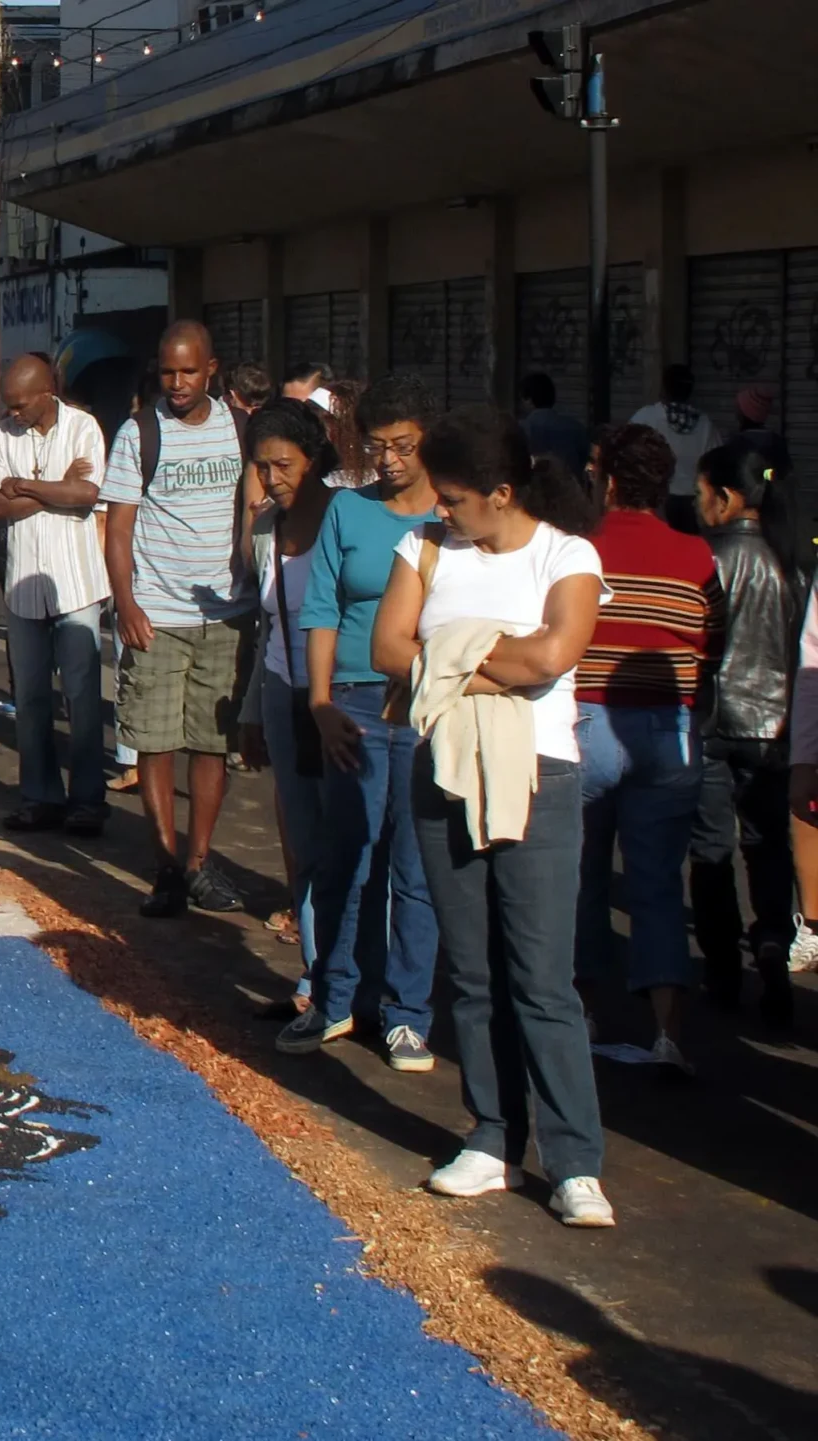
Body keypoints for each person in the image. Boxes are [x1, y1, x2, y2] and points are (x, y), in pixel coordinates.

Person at [372, 405, 611, 1228]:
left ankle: (575, 1158)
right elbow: (387, 647)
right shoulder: (427, 548)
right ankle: (492, 1135)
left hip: (539, 772)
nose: (444, 509)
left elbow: (555, 655)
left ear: (502, 492)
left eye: (458, 497)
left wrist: (450, 663)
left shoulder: (566, 553)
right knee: (471, 970)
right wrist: (486, 660)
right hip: (443, 769)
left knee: (542, 975)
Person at [278, 375, 444, 1068]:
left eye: (402, 445)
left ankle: (407, 1013)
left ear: (429, 441)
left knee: (414, 867)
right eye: (377, 446)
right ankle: (335, 997)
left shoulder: (451, 519)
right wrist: (319, 702)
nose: (389, 460)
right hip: (351, 702)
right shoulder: (349, 510)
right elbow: (319, 608)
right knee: (348, 853)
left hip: (428, 707)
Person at [571, 424, 715, 1075]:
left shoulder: (580, 550)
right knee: (657, 885)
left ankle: (582, 1011)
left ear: (606, 478)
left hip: (586, 723)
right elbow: (711, 646)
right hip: (669, 732)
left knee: (582, 876)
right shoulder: (698, 557)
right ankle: (668, 1033)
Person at [102, 322, 257, 917]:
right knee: (155, 742)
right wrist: (128, 602)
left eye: (188, 371)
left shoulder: (239, 429)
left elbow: (255, 507)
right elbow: (118, 528)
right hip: (158, 615)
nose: (178, 383)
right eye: (168, 372)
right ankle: (166, 865)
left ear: (211, 369)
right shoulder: (138, 433)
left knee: (212, 745)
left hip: (227, 615)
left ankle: (199, 863)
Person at [0, 355, 111, 834]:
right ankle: (40, 796)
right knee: (30, 697)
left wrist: (25, 487)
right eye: (8, 405)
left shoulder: (83, 427)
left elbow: (88, 494)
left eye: (21, 404)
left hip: (76, 584)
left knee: (82, 699)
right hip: (22, 584)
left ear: (47, 391)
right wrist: (56, 489)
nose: (14, 413)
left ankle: (88, 800)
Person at [691, 443, 799, 1027]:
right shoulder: (795, 561)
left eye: (704, 493)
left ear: (728, 498)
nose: (698, 503)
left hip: (710, 724)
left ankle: (722, 971)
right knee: (767, 845)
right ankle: (773, 950)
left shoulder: (706, 557)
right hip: (775, 726)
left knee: (710, 850)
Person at [236, 399, 336, 1003]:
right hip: (281, 691)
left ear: (315, 459)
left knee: (348, 840)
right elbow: (266, 626)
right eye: (262, 467)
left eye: (283, 465)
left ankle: (356, 977)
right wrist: (252, 709)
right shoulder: (267, 527)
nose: (272, 480)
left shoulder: (345, 520)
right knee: (300, 839)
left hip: (342, 701)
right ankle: (316, 970)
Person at [630, 364, 722, 534]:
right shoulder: (705, 424)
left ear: (664, 388)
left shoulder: (646, 417)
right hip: (693, 503)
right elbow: (716, 463)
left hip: (659, 502)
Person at [517, 373, 587, 479]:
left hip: (532, 493)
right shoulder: (577, 428)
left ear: (528, 400)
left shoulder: (520, 430)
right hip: (572, 492)